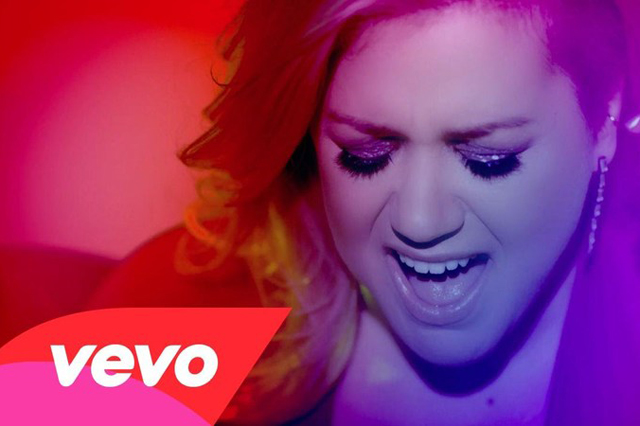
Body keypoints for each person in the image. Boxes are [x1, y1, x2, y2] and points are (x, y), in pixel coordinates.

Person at [87, 0, 640, 424]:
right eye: (365, 154)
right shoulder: (165, 321)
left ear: (604, 117)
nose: (419, 222)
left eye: (487, 160)